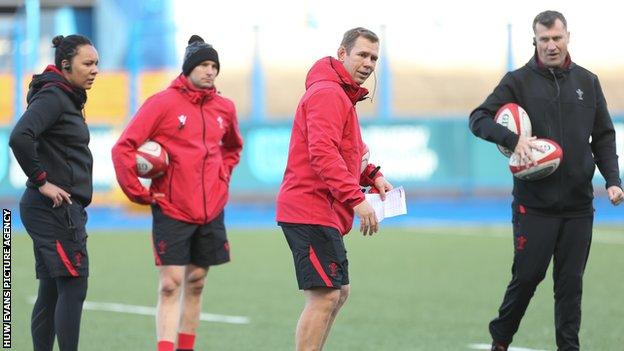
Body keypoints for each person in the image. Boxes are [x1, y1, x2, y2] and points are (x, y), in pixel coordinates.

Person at [469, 10, 623, 351]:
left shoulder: (588, 81)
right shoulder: (518, 81)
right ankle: (500, 340)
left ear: (568, 37)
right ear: (534, 40)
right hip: (534, 206)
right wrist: (512, 140)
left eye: (557, 38)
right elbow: (477, 118)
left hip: (579, 205)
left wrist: (612, 179)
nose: (551, 45)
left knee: (571, 285)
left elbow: (603, 136)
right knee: (526, 278)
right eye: (544, 39)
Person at [111, 35, 243, 351]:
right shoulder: (162, 104)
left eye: (214, 66)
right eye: (204, 64)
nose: (210, 71)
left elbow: (233, 147)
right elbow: (123, 148)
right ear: (188, 68)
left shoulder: (225, 107)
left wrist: (222, 176)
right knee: (171, 285)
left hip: (211, 209)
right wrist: (137, 193)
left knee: (196, 283)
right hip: (172, 208)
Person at [276, 27, 393, 351]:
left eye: (374, 57)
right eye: (362, 55)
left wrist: (371, 176)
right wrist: (357, 198)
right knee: (326, 294)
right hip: (309, 207)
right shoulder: (329, 93)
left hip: (321, 209)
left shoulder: (342, 95)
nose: (368, 63)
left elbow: (347, 150)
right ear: (342, 54)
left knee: (337, 292)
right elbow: (323, 153)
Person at [9, 34, 99, 351]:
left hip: (50, 208)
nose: (94, 70)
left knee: (51, 288)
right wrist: (42, 180)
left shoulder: (66, 97)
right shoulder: (54, 97)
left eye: (97, 64)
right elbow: (20, 136)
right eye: (87, 63)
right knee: (74, 284)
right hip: (53, 208)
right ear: (65, 64)